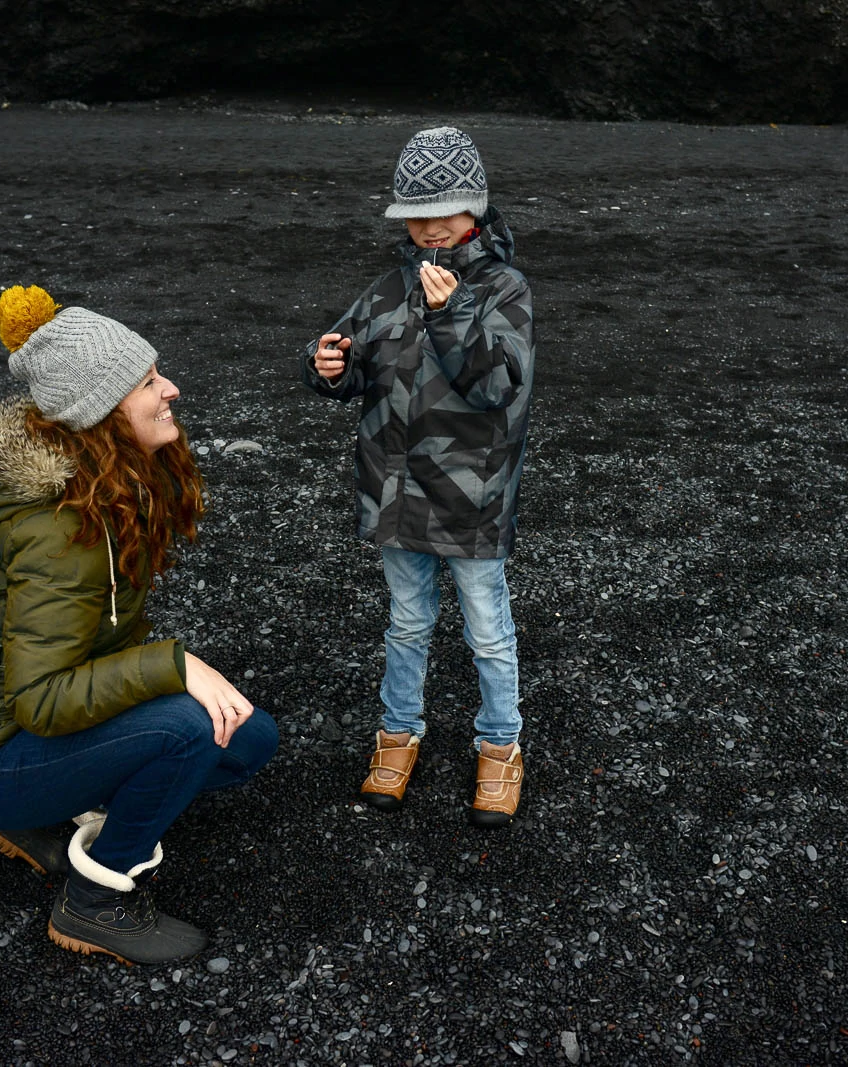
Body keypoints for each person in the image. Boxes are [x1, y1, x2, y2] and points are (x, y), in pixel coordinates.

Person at [0, 284, 278, 965]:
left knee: (247, 736)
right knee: (187, 728)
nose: (171, 388)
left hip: (21, 737)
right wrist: (172, 666)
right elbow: (41, 698)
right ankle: (96, 904)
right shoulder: (62, 533)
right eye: (149, 381)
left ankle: (33, 816)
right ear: (100, 414)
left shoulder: (107, 490)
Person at [301, 126, 536, 827]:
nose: (433, 231)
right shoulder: (386, 289)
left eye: (448, 215)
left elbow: (499, 384)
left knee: (487, 629)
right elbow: (350, 355)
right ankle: (397, 733)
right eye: (418, 217)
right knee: (407, 622)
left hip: (471, 497)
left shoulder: (503, 289)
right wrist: (326, 365)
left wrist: (450, 313)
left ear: (477, 212)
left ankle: (500, 745)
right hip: (396, 492)